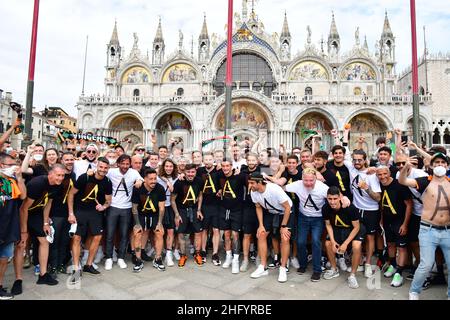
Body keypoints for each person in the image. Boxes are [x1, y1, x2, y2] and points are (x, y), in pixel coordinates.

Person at [399, 153, 450, 300]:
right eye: (437, 162)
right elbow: (402, 181)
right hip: (428, 230)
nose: (440, 165)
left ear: (447, 165)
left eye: (443, 162)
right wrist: (406, 167)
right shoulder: (424, 181)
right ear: (431, 166)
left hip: (447, 230)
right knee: (426, 264)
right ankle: (414, 291)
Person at [285, 168, 347, 281]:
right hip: (303, 217)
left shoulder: (322, 188)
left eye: (311, 180)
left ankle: (317, 270)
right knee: (300, 241)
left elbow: (336, 195)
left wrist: (344, 198)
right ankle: (303, 265)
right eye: (306, 180)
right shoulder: (297, 185)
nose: (308, 183)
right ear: (302, 179)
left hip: (318, 218)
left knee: (315, 241)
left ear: (316, 179)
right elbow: (283, 187)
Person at [19, 165, 65, 286]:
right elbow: (23, 208)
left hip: (36, 213)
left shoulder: (58, 185)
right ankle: (17, 279)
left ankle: (43, 275)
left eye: (62, 175)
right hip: (22, 212)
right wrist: (24, 231)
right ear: (50, 174)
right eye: (58, 175)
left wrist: (45, 223)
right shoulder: (37, 184)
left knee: (44, 241)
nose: (60, 178)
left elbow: (48, 203)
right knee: (20, 244)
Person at [67, 157, 112, 282]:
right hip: (80, 210)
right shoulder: (84, 177)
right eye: (101, 167)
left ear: (108, 169)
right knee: (76, 237)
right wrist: (71, 213)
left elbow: (108, 201)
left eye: (105, 168)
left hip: (95, 212)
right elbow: (71, 194)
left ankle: (88, 265)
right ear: (97, 165)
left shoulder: (107, 182)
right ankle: (76, 268)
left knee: (97, 237)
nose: (103, 170)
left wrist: (103, 207)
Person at [248, 173, 293, 283]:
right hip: (271, 212)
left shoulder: (274, 189)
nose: (250, 185)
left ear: (260, 182)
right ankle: (263, 267)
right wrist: (261, 225)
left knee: (285, 237)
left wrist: (283, 226)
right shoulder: (253, 192)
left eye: (252, 183)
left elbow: (287, 207)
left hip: (286, 212)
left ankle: (283, 268)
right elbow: (258, 207)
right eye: (249, 183)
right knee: (261, 235)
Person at [105, 154, 143, 271]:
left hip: (127, 208)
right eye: (123, 163)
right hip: (113, 206)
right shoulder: (111, 172)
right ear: (118, 164)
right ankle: (109, 258)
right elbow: (100, 173)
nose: (125, 166)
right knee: (110, 234)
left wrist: (139, 181)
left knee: (124, 234)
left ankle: (121, 257)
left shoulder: (133, 172)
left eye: (127, 164)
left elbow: (140, 179)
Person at [376, 165, 412, 287]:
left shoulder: (399, 185)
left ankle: (399, 273)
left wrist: (405, 224)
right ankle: (393, 265)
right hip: (387, 220)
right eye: (379, 174)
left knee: (401, 247)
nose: (382, 177)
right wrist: (381, 219)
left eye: (384, 174)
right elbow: (381, 203)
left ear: (389, 173)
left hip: (400, 220)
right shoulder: (379, 185)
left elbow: (409, 204)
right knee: (390, 244)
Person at [322, 187, 364, 289]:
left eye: (335, 199)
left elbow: (356, 227)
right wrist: (332, 241)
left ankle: (352, 275)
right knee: (327, 243)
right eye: (329, 199)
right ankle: (334, 268)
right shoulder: (325, 208)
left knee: (356, 245)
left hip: (353, 229)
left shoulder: (350, 208)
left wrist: (345, 244)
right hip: (337, 228)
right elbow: (328, 225)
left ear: (340, 197)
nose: (332, 202)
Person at [348, 149, 381, 277]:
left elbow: (378, 198)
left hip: (371, 211)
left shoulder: (372, 176)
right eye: (355, 160)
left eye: (359, 160)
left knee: (369, 237)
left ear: (365, 160)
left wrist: (367, 188)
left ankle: (368, 264)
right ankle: (359, 260)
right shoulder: (351, 169)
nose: (357, 162)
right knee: (357, 236)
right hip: (356, 208)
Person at [0, 153, 26, 299]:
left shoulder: (12, 180)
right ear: (1, 165)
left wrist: (20, 178)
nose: (13, 167)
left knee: (4, 259)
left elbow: (22, 196)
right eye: (10, 165)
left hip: (9, 227)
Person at [131, 169, 166, 272]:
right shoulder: (138, 188)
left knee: (160, 233)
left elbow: (162, 208)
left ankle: (158, 259)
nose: (153, 181)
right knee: (137, 233)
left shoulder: (160, 188)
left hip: (155, 215)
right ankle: (138, 260)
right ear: (145, 179)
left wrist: (160, 223)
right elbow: (134, 207)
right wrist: (137, 223)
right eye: (151, 179)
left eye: (155, 178)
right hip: (141, 215)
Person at [48, 152, 76, 277]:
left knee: (64, 241)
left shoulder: (73, 175)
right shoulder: (55, 175)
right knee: (55, 241)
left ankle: (60, 265)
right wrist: (46, 216)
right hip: (55, 213)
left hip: (67, 214)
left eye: (71, 159)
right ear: (61, 160)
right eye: (67, 159)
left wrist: (71, 213)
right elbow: (48, 198)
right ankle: (53, 267)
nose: (69, 161)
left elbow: (72, 195)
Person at [170, 164, 204, 267]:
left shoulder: (199, 181)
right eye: (188, 172)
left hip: (194, 209)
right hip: (182, 210)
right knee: (181, 234)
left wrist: (198, 210)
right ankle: (183, 255)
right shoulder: (179, 182)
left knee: (198, 233)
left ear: (195, 172)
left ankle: (197, 254)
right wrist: (177, 214)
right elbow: (172, 200)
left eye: (192, 172)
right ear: (185, 172)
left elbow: (200, 195)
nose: (190, 174)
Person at [217, 158, 246, 274]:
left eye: (227, 166)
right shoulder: (219, 175)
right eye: (223, 166)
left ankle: (236, 259)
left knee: (235, 234)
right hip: (224, 208)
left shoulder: (239, 176)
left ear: (232, 166)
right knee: (227, 234)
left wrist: (241, 171)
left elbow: (250, 173)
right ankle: (228, 256)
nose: (225, 168)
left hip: (237, 209)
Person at [196, 153, 221, 265]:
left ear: (213, 160)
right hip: (204, 204)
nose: (207, 161)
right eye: (205, 159)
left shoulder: (218, 170)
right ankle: (203, 251)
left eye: (210, 159)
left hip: (216, 205)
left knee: (216, 230)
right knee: (204, 229)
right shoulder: (199, 171)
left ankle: (215, 253)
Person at [239, 153, 260, 271]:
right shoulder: (243, 173)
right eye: (249, 160)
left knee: (259, 234)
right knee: (246, 234)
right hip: (247, 206)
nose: (251, 162)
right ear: (246, 161)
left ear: (257, 161)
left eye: (253, 160)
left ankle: (258, 257)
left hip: (260, 206)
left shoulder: (262, 171)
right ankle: (246, 259)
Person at [157, 159, 178, 266]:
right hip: (159, 207)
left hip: (170, 206)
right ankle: (158, 254)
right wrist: (167, 181)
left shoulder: (177, 177)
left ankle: (169, 254)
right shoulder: (157, 177)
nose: (169, 168)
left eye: (171, 166)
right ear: (163, 167)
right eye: (166, 166)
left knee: (171, 231)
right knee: (159, 232)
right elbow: (156, 173)